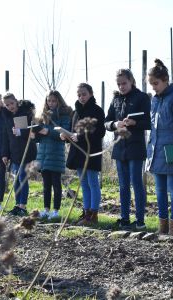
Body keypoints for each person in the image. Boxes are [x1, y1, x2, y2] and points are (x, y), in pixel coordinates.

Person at [146, 59, 173, 237]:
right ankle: (162, 226)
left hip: (171, 152)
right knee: (159, 190)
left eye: (156, 83)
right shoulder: (155, 100)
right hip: (156, 152)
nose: (154, 87)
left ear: (165, 80)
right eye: (151, 84)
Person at [104, 69, 151, 230]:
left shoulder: (142, 98)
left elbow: (149, 122)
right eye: (118, 84)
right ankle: (124, 219)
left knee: (136, 183)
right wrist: (114, 124)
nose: (121, 86)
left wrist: (134, 123)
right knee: (123, 185)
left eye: (124, 83)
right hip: (119, 148)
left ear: (131, 81)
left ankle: (140, 221)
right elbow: (106, 122)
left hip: (136, 148)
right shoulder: (115, 99)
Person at [64, 83, 105, 226]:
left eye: (84, 94)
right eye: (79, 95)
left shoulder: (97, 110)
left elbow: (100, 132)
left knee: (93, 182)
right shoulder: (75, 112)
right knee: (84, 184)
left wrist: (79, 136)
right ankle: (86, 212)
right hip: (78, 153)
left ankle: (93, 215)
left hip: (91, 152)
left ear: (91, 94)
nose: (81, 97)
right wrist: (66, 136)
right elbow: (71, 129)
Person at [34, 90, 72, 220]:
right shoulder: (42, 117)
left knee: (56, 184)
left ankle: (55, 211)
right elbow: (40, 137)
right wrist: (34, 136)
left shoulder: (64, 116)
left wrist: (47, 131)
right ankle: (46, 209)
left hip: (56, 154)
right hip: (43, 155)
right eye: (49, 100)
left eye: (54, 101)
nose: (51, 103)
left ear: (59, 101)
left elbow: (64, 134)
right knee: (46, 185)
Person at [2, 93, 37, 216]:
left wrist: (20, 132)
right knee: (16, 180)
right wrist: (5, 154)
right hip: (14, 153)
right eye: (7, 105)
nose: (10, 106)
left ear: (16, 101)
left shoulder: (23, 114)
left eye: (11, 103)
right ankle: (17, 205)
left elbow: (30, 132)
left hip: (26, 151)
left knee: (22, 178)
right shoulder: (6, 117)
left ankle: (23, 206)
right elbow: (6, 137)